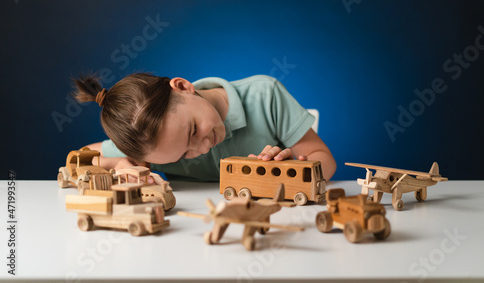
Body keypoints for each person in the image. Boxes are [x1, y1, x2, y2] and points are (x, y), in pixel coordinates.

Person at [73, 73, 336, 181]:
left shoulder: (265, 96)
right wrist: (119, 165)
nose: (201, 148)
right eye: (182, 155)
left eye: (193, 131)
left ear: (184, 87)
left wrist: (292, 171)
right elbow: (81, 157)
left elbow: (324, 159)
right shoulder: (148, 147)